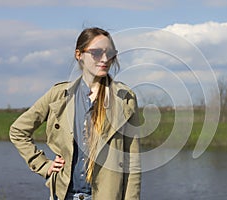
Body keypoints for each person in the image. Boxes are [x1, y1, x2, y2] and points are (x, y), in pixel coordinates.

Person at [9, 27, 141, 200]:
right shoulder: (58, 95)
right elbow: (18, 131)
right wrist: (43, 165)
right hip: (64, 195)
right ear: (79, 55)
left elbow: (133, 163)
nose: (104, 58)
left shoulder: (125, 98)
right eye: (96, 52)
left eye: (109, 53)